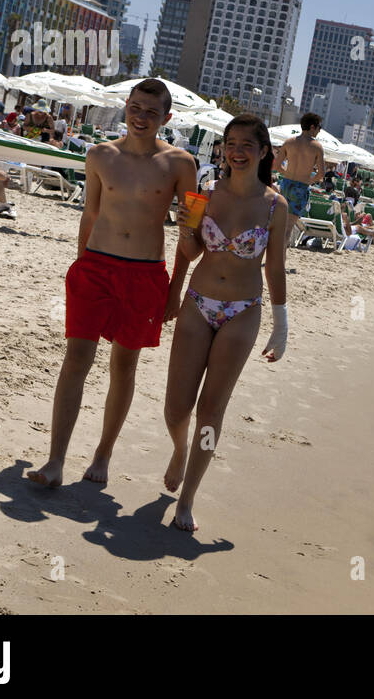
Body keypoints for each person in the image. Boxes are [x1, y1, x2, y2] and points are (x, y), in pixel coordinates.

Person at [26, 79, 196, 488]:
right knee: (76, 361)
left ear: (166, 118)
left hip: (145, 275)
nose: (141, 117)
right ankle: (56, 460)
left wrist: (176, 289)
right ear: (126, 107)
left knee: (124, 366)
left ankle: (102, 455)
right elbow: (89, 214)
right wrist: (80, 264)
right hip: (95, 268)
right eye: (135, 108)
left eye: (151, 112)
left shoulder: (180, 164)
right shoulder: (100, 154)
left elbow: (189, 235)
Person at [162, 114, 288, 532]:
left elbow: (276, 269)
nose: (236, 151)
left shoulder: (275, 205)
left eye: (247, 145)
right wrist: (183, 235)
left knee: (211, 411)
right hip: (198, 303)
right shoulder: (206, 194)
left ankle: (188, 499)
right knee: (176, 407)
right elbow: (192, 251)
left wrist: (280, 325)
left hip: (243, 311)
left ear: (264, 151)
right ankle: (180, 450)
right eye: (230, 143)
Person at [271, 112, 325, 252]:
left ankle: (272, 255)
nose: (320, 130)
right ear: (312, 127)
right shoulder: (316, 147)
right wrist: (308, 180)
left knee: (280, 225)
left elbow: (276, 166)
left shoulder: (289, 142)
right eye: (319, 127)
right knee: (288, 228)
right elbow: (321, 174)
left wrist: (287, 173)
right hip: (301, 187)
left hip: (286, 184)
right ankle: (280, 260)